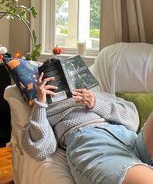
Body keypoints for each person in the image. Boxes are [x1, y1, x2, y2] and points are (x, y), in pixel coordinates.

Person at [22, 72, 153, 184]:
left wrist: (96, 103)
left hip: (129, 138)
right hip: (94, 147)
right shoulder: (47, 109)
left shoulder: (99, 95)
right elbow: (40, 149)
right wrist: (40, 103)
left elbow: (132, 119)